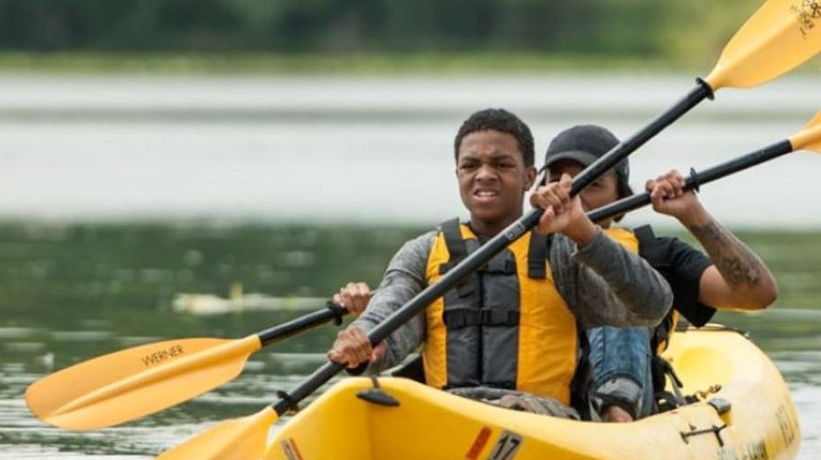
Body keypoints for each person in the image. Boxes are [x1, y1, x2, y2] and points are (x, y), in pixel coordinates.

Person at [328, 109, 672, 418]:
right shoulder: (423, 251)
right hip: (446, 412)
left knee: (508, 409)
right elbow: (391, 309)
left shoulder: (562, 249)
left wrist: (583, 231)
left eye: (501, 165)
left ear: (528, 177)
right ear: (458, 173)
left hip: (541, 419)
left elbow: (651, 305)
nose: (485, 175)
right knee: (368, 398)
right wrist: (366, 340)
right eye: (471, 165)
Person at [540, 124, 779, 423]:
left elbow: (757, 294)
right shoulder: (517, 251)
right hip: (541, 412)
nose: (571, 195)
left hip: (625, 419)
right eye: (557, 181)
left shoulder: (655, 255)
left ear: (620, 200)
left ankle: (617, 414)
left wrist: (693, 214)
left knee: (621, 291)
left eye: (591, 185)